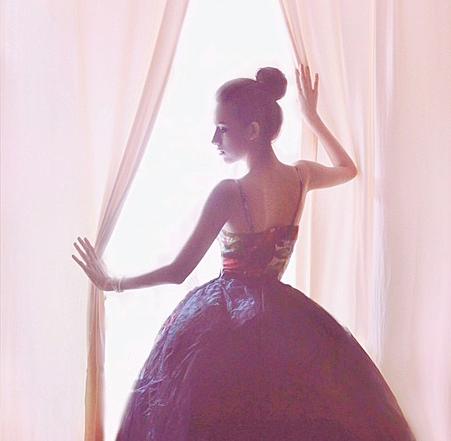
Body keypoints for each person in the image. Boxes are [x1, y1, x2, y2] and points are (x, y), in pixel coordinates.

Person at [73, 65, 415, 440]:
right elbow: (347, 169)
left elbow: (179, 270)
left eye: (222, 129)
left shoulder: (230, 193)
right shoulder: (301, 177)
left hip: (225, 323)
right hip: (285, 319)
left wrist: (113, 282)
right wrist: (312, 117)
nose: (214, 139)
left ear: (252, 131)